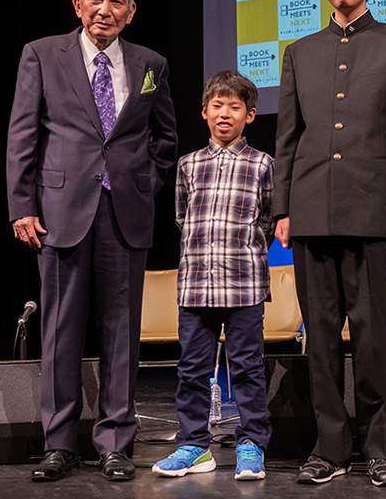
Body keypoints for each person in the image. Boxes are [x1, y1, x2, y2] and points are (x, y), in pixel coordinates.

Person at [6, 0, 177, 482]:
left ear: (131, 12)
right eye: (96, 0)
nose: (106, 9)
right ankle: (59, 442)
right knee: (60, 330)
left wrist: (144, 184)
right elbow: (23, 135)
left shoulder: (151, 63)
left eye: (117, 2)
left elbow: (164, 138)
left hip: (125, 212)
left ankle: (116, 443)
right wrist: (22, 206)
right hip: (60, 212)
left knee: (122, 333)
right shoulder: (41, 53)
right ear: (77, 6)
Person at [273, 0, 386, 487]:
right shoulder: (299, 53)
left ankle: (382, 448)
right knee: (319, 340)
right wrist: (281, 209)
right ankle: (330, 446)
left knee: (372, 338)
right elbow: (287, 138)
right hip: (311, 213)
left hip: (374, 214)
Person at [152, 70, 273, 481]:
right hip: (197, 286)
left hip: (244, 285)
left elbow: (268, 222)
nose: (225, 114)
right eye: (217, 106)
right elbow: (181, 218)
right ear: (204, 112)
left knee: (247, 368)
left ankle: (251, 444)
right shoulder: (188, 165)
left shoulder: (263, 165)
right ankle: (194, 445)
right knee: (191, 369)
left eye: (235, 107)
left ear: (250, 115)